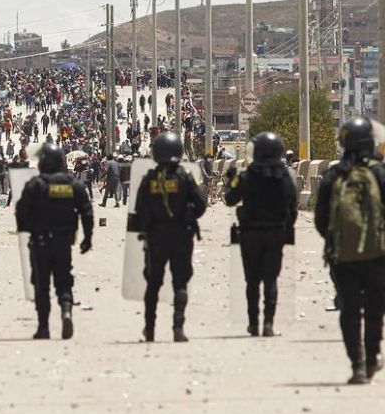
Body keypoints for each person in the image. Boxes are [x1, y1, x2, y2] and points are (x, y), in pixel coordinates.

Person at [315, 117, 385, 384]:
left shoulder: (334, 176)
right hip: (377, 255)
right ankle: (372, 358)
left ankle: (356, 363)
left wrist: (336, 241)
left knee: (350, 310)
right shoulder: (379, 173)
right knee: (375, 309)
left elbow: (321, 219)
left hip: (342, 256)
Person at [16, 143, 93, 340]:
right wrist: (87, 237)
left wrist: (26, 231)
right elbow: (86, 210)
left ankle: (43, 327)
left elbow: (21, 211)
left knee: (42, 284)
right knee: (64, 281)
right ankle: (66, 311)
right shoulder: (72, 184)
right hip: (63, 241)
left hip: (40, 241)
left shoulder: (36, 185)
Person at [224, 132, 297, 337]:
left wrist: (231, 182)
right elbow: (292, 208)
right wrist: (284, 230)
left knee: (252, 280)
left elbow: (230, 199)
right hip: (275, 233)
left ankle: (253, 324)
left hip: (250, 233)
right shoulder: (285, 176)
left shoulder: (247, 176)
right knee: (271, 280)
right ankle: (268, 324)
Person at [136, 132, 206, 342]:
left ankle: (149, 329)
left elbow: (139, 210)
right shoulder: (185, 177)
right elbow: (201, 204)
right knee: (180, 284)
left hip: (156, 237)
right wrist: (188, 215)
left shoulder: (149, 179)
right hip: (181, 236)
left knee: (153, 283)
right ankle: (178, 327)